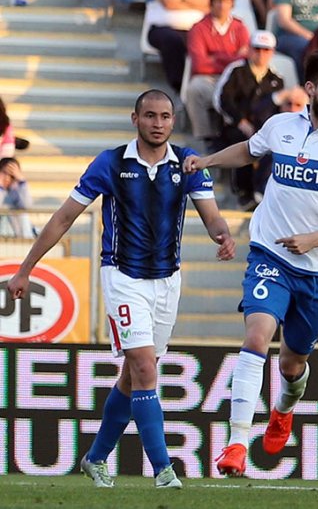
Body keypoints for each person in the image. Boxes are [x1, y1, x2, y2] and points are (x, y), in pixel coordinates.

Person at [6, 89, 236, 488]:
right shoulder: (111, 163)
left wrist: (223, 236)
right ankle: (164, 470)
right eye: (150, 116)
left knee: (134, 374)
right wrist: (26, 268)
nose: (158, 123)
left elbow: (212, 216)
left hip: (167, 280)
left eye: (165, 116)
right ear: (135, 119)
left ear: (172, 121)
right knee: (146, 368)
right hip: (122, 276)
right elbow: (63, 218)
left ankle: (95, 458)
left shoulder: (188, 164)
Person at [185, 51, 318, 477]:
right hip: (270, 254)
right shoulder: (280, 126)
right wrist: (208, 160)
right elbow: (250, 150)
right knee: (256, 337)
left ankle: (282, 411)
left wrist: (315, 239)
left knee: (292, 364)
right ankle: (237, 443)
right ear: (310, 89)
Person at [214, 31, 286, 209]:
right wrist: (240, 121)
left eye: (266, 50)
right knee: (245, 142)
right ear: (250, 50)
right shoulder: (236, 71)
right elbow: (223, 99)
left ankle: (261, 192)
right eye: (257, 49)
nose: (261, 54)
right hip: (234, 125)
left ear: (272, 52)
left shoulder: (276, 79)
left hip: (262, 128)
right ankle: (243, 192)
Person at [185, 0, 250, 148]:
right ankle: (205, 137)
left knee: (240, 89)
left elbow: (246, 58)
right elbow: (199, 65)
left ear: (231, 4)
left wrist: (216, 58)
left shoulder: (240, 27)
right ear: (211, 4)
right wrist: (232, 58)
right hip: (209, 77)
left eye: (226, 2)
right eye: (218, 2)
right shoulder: (199, 28)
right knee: (195, 89)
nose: (222, 6)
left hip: (234, 76)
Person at [147, 0, 210, 94]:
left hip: (197, 30)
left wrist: (182, 1)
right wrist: (197, 4)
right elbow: (169, 3)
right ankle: (179, 87)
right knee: (172, 40)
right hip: (164, 28)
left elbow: (209, 4)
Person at [272, 0, 318, 81]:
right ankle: (307, 84)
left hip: (317, 37)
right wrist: (309, 36)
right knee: (307, 49)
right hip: (289, 36)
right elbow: (284, 20)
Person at [0, 157, 34, 238]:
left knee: (23, 214)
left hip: (18, 235)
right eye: (5, 173)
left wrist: (22, 181)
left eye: (12, 174)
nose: (8, 178)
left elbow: (27, 205)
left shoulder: (17, 190)